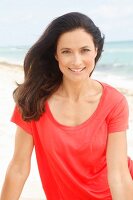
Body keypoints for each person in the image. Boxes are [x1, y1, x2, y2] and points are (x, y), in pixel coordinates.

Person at [0, 12, 133, 200]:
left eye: (85, 50)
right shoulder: (33, 101)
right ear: (56, 54)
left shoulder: (114, 102)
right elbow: (19, 168)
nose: (77, 61)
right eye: (66, 51)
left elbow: (119, 175)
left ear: (96, 50)